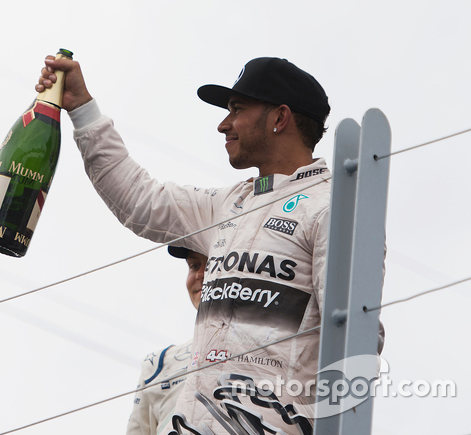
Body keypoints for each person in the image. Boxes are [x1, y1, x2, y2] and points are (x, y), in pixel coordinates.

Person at [37, 55, 383, 435]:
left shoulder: (330, 206)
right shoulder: (228, 203)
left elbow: (359, 340)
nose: (223, 124)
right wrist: (83, 109)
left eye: (237, 109)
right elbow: (139, 200)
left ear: (279, 118)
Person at [126, 247, 207, 435]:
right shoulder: (157, 364)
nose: (201, 274)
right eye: (194, 266)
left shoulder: (279, 349)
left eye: (211, 264)